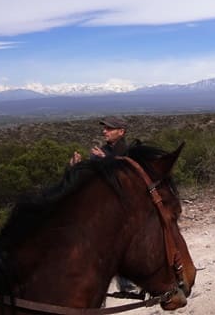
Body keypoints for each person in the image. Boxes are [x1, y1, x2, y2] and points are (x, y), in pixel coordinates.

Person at [68, 116, 141, 298]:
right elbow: (90, 177)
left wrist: (107, 159)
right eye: (105, 128)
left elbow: (128, 174)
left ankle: (131, 285)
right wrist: (76, 167)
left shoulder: (130, 150)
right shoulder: (100, 152)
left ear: (121, 131)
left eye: (109, 128)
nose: (104, 131)